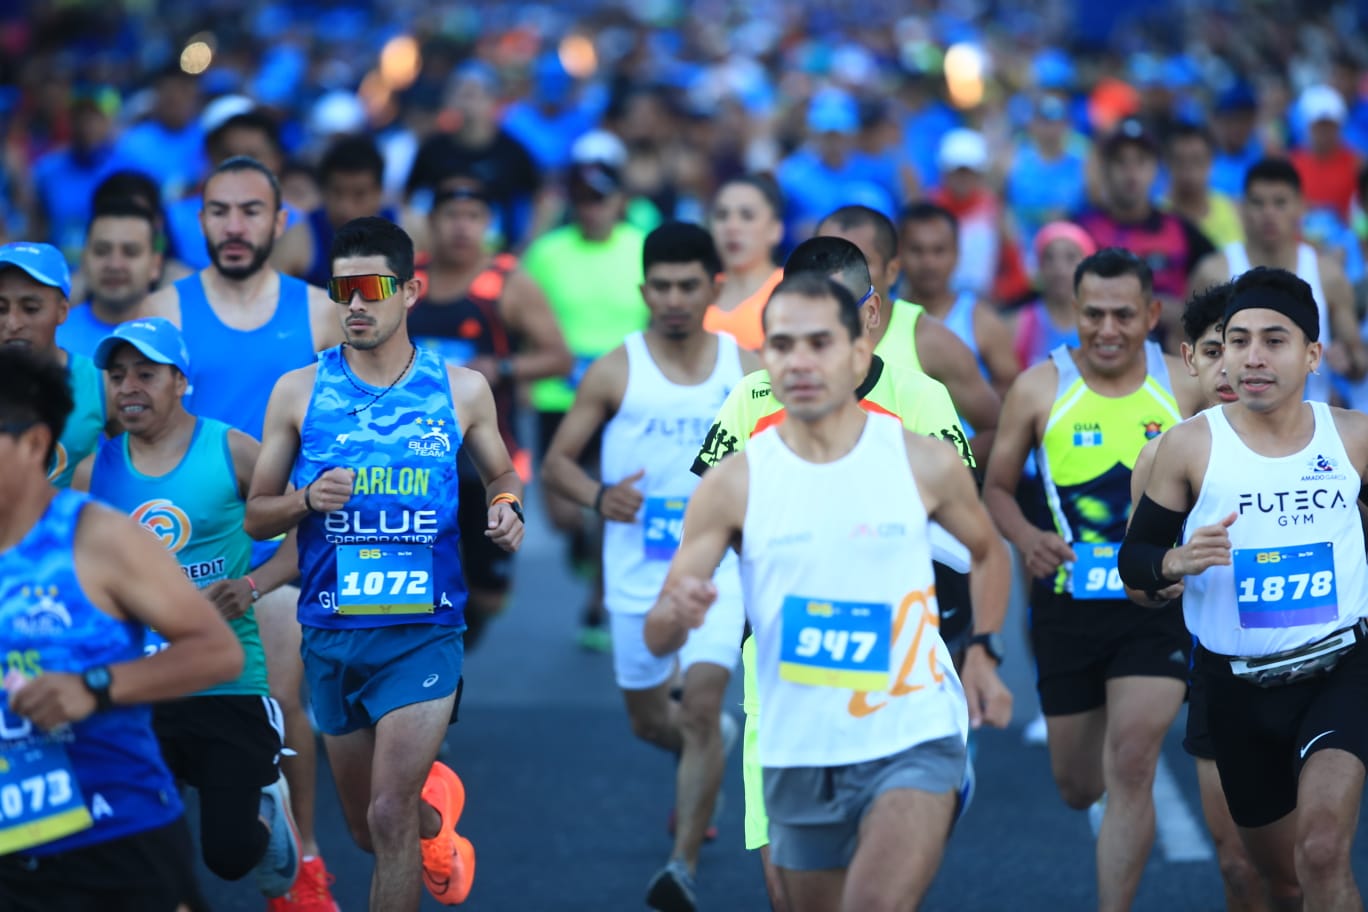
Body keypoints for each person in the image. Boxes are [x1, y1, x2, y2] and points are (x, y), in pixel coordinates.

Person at [646, 272, 1011, 912]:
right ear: (765, 358)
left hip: (911, 731)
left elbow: (986, 552)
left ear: (859, 353)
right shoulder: (733, 483)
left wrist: (982, 649)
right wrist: (675, 614)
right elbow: (660, 629)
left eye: (820, 342)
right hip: (799, 745)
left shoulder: (921, 461)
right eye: (783, 345)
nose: (801, 361)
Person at [246, 216, 524, 911]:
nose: (357, 305)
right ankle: (438, 826)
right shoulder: (298, 392)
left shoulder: (459, 390)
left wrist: (507, 506)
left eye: (373, 288)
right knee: (369, 830)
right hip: (333, 636)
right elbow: (257, 513)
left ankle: (416, 818)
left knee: (385, 814)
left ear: (410, 290)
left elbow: (499, 475)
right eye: (344, 291)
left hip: (424, 633)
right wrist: (307, 498)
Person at [1121, 266, 1368, 910]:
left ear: (1313, 355)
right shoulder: (1188, 449)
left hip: (1340, 669)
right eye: (1238, 340)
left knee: (1320, 849)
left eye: (1275, 340)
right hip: (1236, 687)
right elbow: (1136, 560)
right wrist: (1177, 561)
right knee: (1277, 875)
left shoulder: (1355, 439)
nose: (1252, 357)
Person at [135, 154, 343, 910]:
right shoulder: (166, 308)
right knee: (171, 721)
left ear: (281, 221)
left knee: (285, 707)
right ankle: (189, 870)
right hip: (178, 554)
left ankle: (303, 866)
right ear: (200, 221)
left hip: (277, 548)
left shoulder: (320, 312)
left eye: (251, 211)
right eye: (219, 211)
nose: (234, 226)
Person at [981, 248, 1203, 912]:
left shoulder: (1185, 386)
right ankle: (1100, 795)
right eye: (1094, 314)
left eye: (1124, 315)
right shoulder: (1038, 387)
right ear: (1073, 312)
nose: (1108, 330)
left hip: (1157, 607)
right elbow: (994, 488)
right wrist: (1026, 539)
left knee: (1132, 761)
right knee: (1079, 785)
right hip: (1066, 610)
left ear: (1152, 314)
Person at [542, 223, 754, 912]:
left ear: (714, 288)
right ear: (642, 291)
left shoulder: (746, 369)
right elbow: (557, 463)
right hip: (637, 576)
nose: (673, 298)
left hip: (719, 572)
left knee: (698, 704)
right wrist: (601, 496)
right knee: (648, 720)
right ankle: (710, 746)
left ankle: (681, 866)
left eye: (688, 285)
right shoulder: (615, 367)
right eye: (660, 286)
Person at [0, 345, 242, 911]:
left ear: (32, 443)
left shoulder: (97, 539)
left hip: (113, 838)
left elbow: (216, 652)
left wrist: (93, 688)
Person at [76, 317, 304, 898]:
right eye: (118, 375)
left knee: (227, 856)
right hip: (139, 686)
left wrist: (253, 585)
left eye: (146, 374)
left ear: (180, 381)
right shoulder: (94, 468)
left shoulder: (230, 449)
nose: (128, 386)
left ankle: (265, 810)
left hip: (228, 679)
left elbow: (314, 526)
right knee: (139, 852)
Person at [1123, 283, 1273, 912]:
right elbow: (1140, 584)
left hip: (1325, 666)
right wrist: (1168, 572)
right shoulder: (1162, 457)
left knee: (1308, 860)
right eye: (1218, 349)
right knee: (1239, 865)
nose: (1233, 365)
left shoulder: (1325, 444)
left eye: (1247, 346)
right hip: (1221, 674)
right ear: (1191, 359)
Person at [411, 170, 573, 647]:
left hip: (485, 459)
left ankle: (465, 630)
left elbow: (558, 357)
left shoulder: (507, 283)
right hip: (414, 458)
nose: (462, 227)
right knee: (414, 581)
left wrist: (499, 366)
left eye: (473, 217)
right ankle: (426, 663)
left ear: (489, 223)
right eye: (451, 216)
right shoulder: (405, 281)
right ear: (431, 222)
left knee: (488, 596)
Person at [522, 130, 647, 650]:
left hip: (622, 396)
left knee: (605, 502)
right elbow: (520, 316)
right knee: (564, 511)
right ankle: (577, 544)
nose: (593, 210)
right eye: (584, 200)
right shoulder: (548, 253)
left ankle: (596, 606)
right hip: (558, 396)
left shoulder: (641, 248)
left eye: (602, 199)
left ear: (620, 201)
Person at [815, 205, 1002, 463]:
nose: (840, 274)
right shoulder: (790, 341)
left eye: (858, 262)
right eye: (827, 259)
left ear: (892, 271)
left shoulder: (929, 340)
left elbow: (995, 430)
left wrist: (927, 474)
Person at [1191, 157, 1366, 404]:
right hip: (1234, 426)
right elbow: (1188, 355)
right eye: (1258, 203)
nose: (1268, 213)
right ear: (1242, 208)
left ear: (1300, 207)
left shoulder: (1329, 276)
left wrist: (1348, 362)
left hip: (1310, 430)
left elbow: (1359, 361)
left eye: (1280, 203)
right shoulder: (1213, 272)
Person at [1076, 117, 1215, 345]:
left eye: (1140, 162)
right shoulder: (1082, 230)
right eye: (1120, 162)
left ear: (1155, 170)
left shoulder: (1180, 230)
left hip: (1167, 355)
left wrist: (1186, 312)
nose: (1131, 172)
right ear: (1105, 170)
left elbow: (1219, 281)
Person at [0, 242, 113, 488]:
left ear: (62, 311)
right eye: (1, 309)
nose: (13, 323)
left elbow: (137, 463)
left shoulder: (99, 383)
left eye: (30, 309)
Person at [896, 202, 1021, 396]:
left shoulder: (982, 321)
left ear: (957, 254)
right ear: (899, 255)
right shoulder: (880, 316)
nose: (928, 262)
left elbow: (1012, 391)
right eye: (917, 250)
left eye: (939, 251)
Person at [272, 135, 395, 288]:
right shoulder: (300, 238)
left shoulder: (408, 229)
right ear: (323, 190)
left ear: (380, 193)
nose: (346, 207)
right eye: (337, 192)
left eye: (359, 195)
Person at [57, 200, 164, 358]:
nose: (114, 265)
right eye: (101, 251)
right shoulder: (54, 338)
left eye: (130, 252)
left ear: (155, 265)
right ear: (84, 259)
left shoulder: (179, 337)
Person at [705, 175, 785, 352]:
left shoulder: (793, 291)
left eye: (747, 216)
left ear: (775, 229)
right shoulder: (697, 292)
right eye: (722, 216)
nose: (732, 226)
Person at [1012, 221, 1093, 371]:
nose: (1059, 269)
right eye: (1049, 258)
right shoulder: (1019, 325)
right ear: (1039, 266)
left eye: (1070, 258)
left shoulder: (1100, 325)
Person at [1162, 123, 1244, 249]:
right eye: (1180, 161)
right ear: (1167, 163)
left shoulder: (1236, 212)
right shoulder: (1154, 215)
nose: (1188, 170)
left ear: (1211, 162)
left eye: (1197, 160)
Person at [1289, 85, 1360, 222]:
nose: (1324, 132)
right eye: (1319, 126)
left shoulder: (1357, 163)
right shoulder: (1292, 164)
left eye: (1330, 125)